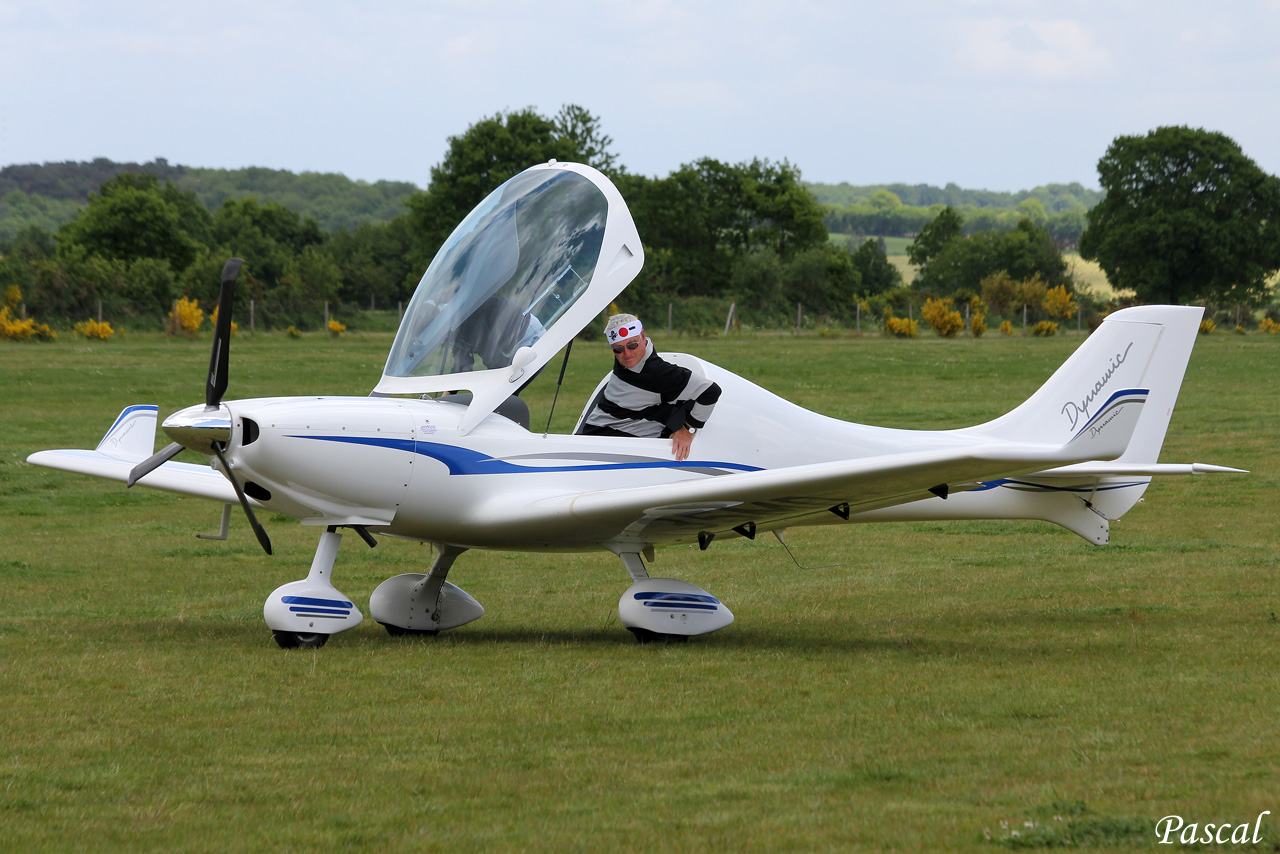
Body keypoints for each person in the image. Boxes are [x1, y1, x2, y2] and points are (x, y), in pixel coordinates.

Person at [578, 314, 721, 462]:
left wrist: (688, 431)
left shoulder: (659, 373)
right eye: (618, 349)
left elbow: (711, 391)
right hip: (596, 438)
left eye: (632, 345)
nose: (627, 354)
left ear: (643, 335)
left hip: (615, 447)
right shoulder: (628, 360)